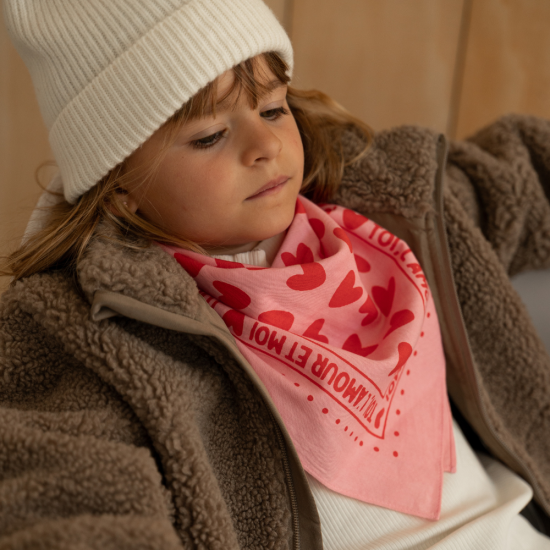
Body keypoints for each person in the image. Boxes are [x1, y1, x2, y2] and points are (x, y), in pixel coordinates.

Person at [1, 0, 550, 548]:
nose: (266, 146)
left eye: (271, 110)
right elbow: (73, 495)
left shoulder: (389, 200)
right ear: (119, 186)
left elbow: (522, 177)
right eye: (209, 135)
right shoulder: (89, 338)